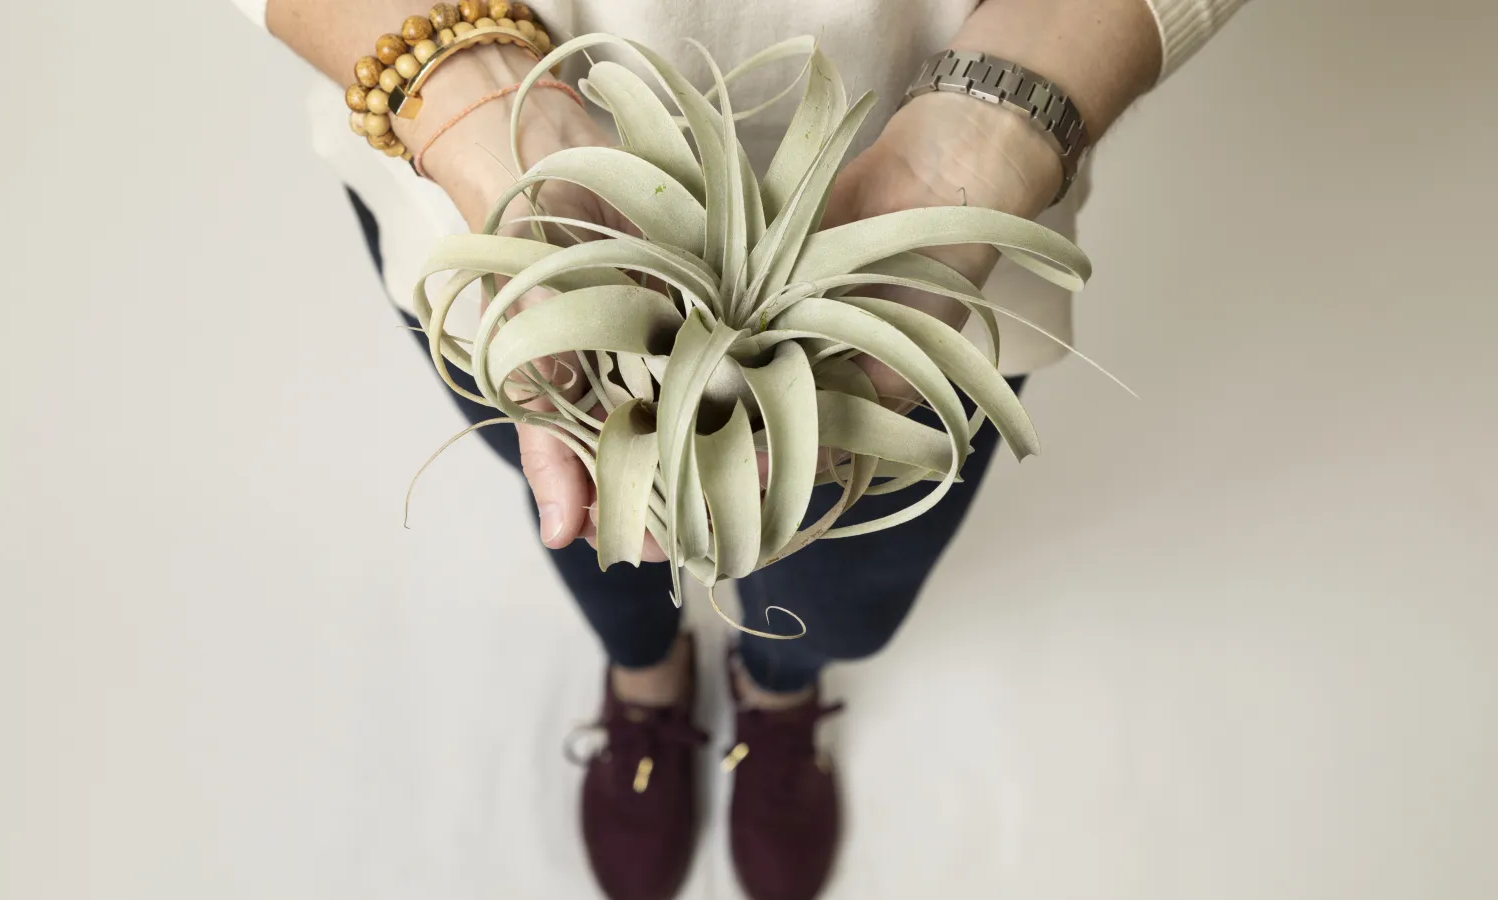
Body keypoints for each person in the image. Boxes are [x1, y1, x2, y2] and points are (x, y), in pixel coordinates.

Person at [234, 1, 1245, 897]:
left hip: (928, 257)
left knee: (847, 583)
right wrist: (471, 87)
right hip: (505, 205)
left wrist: (990, 129)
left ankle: (779, 686)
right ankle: (645, 675)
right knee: (589, 515)